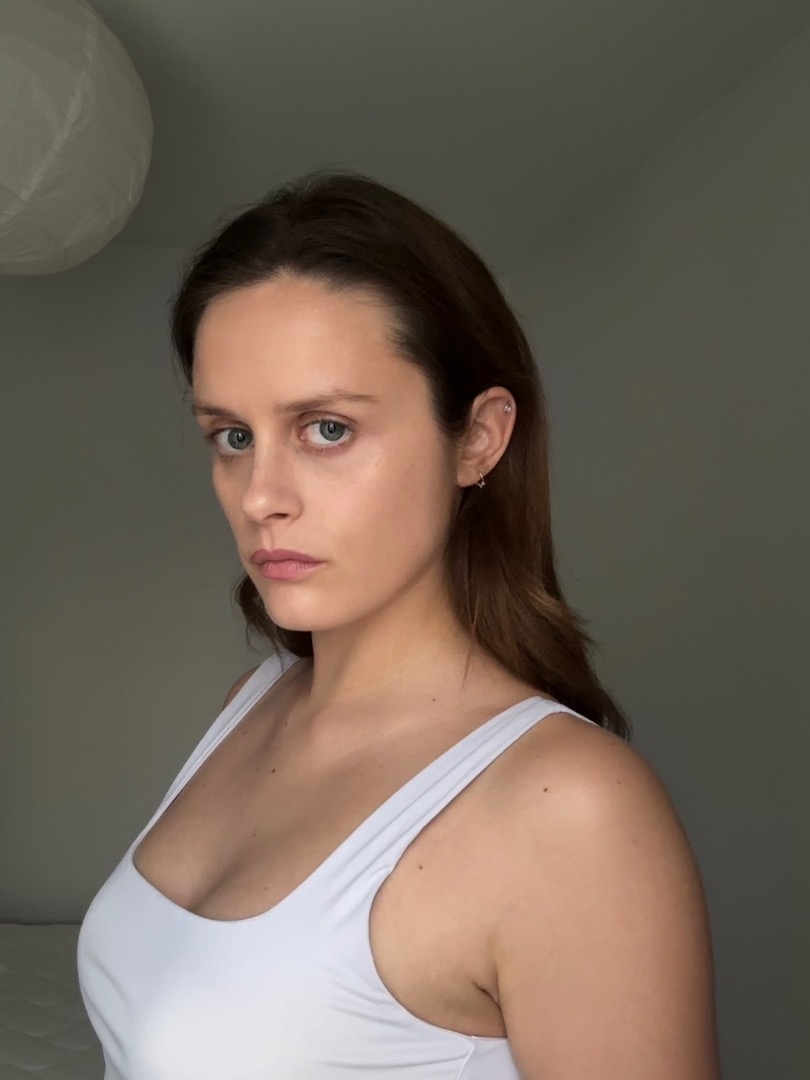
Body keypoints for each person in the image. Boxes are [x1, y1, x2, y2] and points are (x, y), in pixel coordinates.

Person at [77, 170, 721, 1079]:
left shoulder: (571, 811)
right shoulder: (251, 702)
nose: (259, 496)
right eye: (232, 436)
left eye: (326, 429)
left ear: (478, 438)